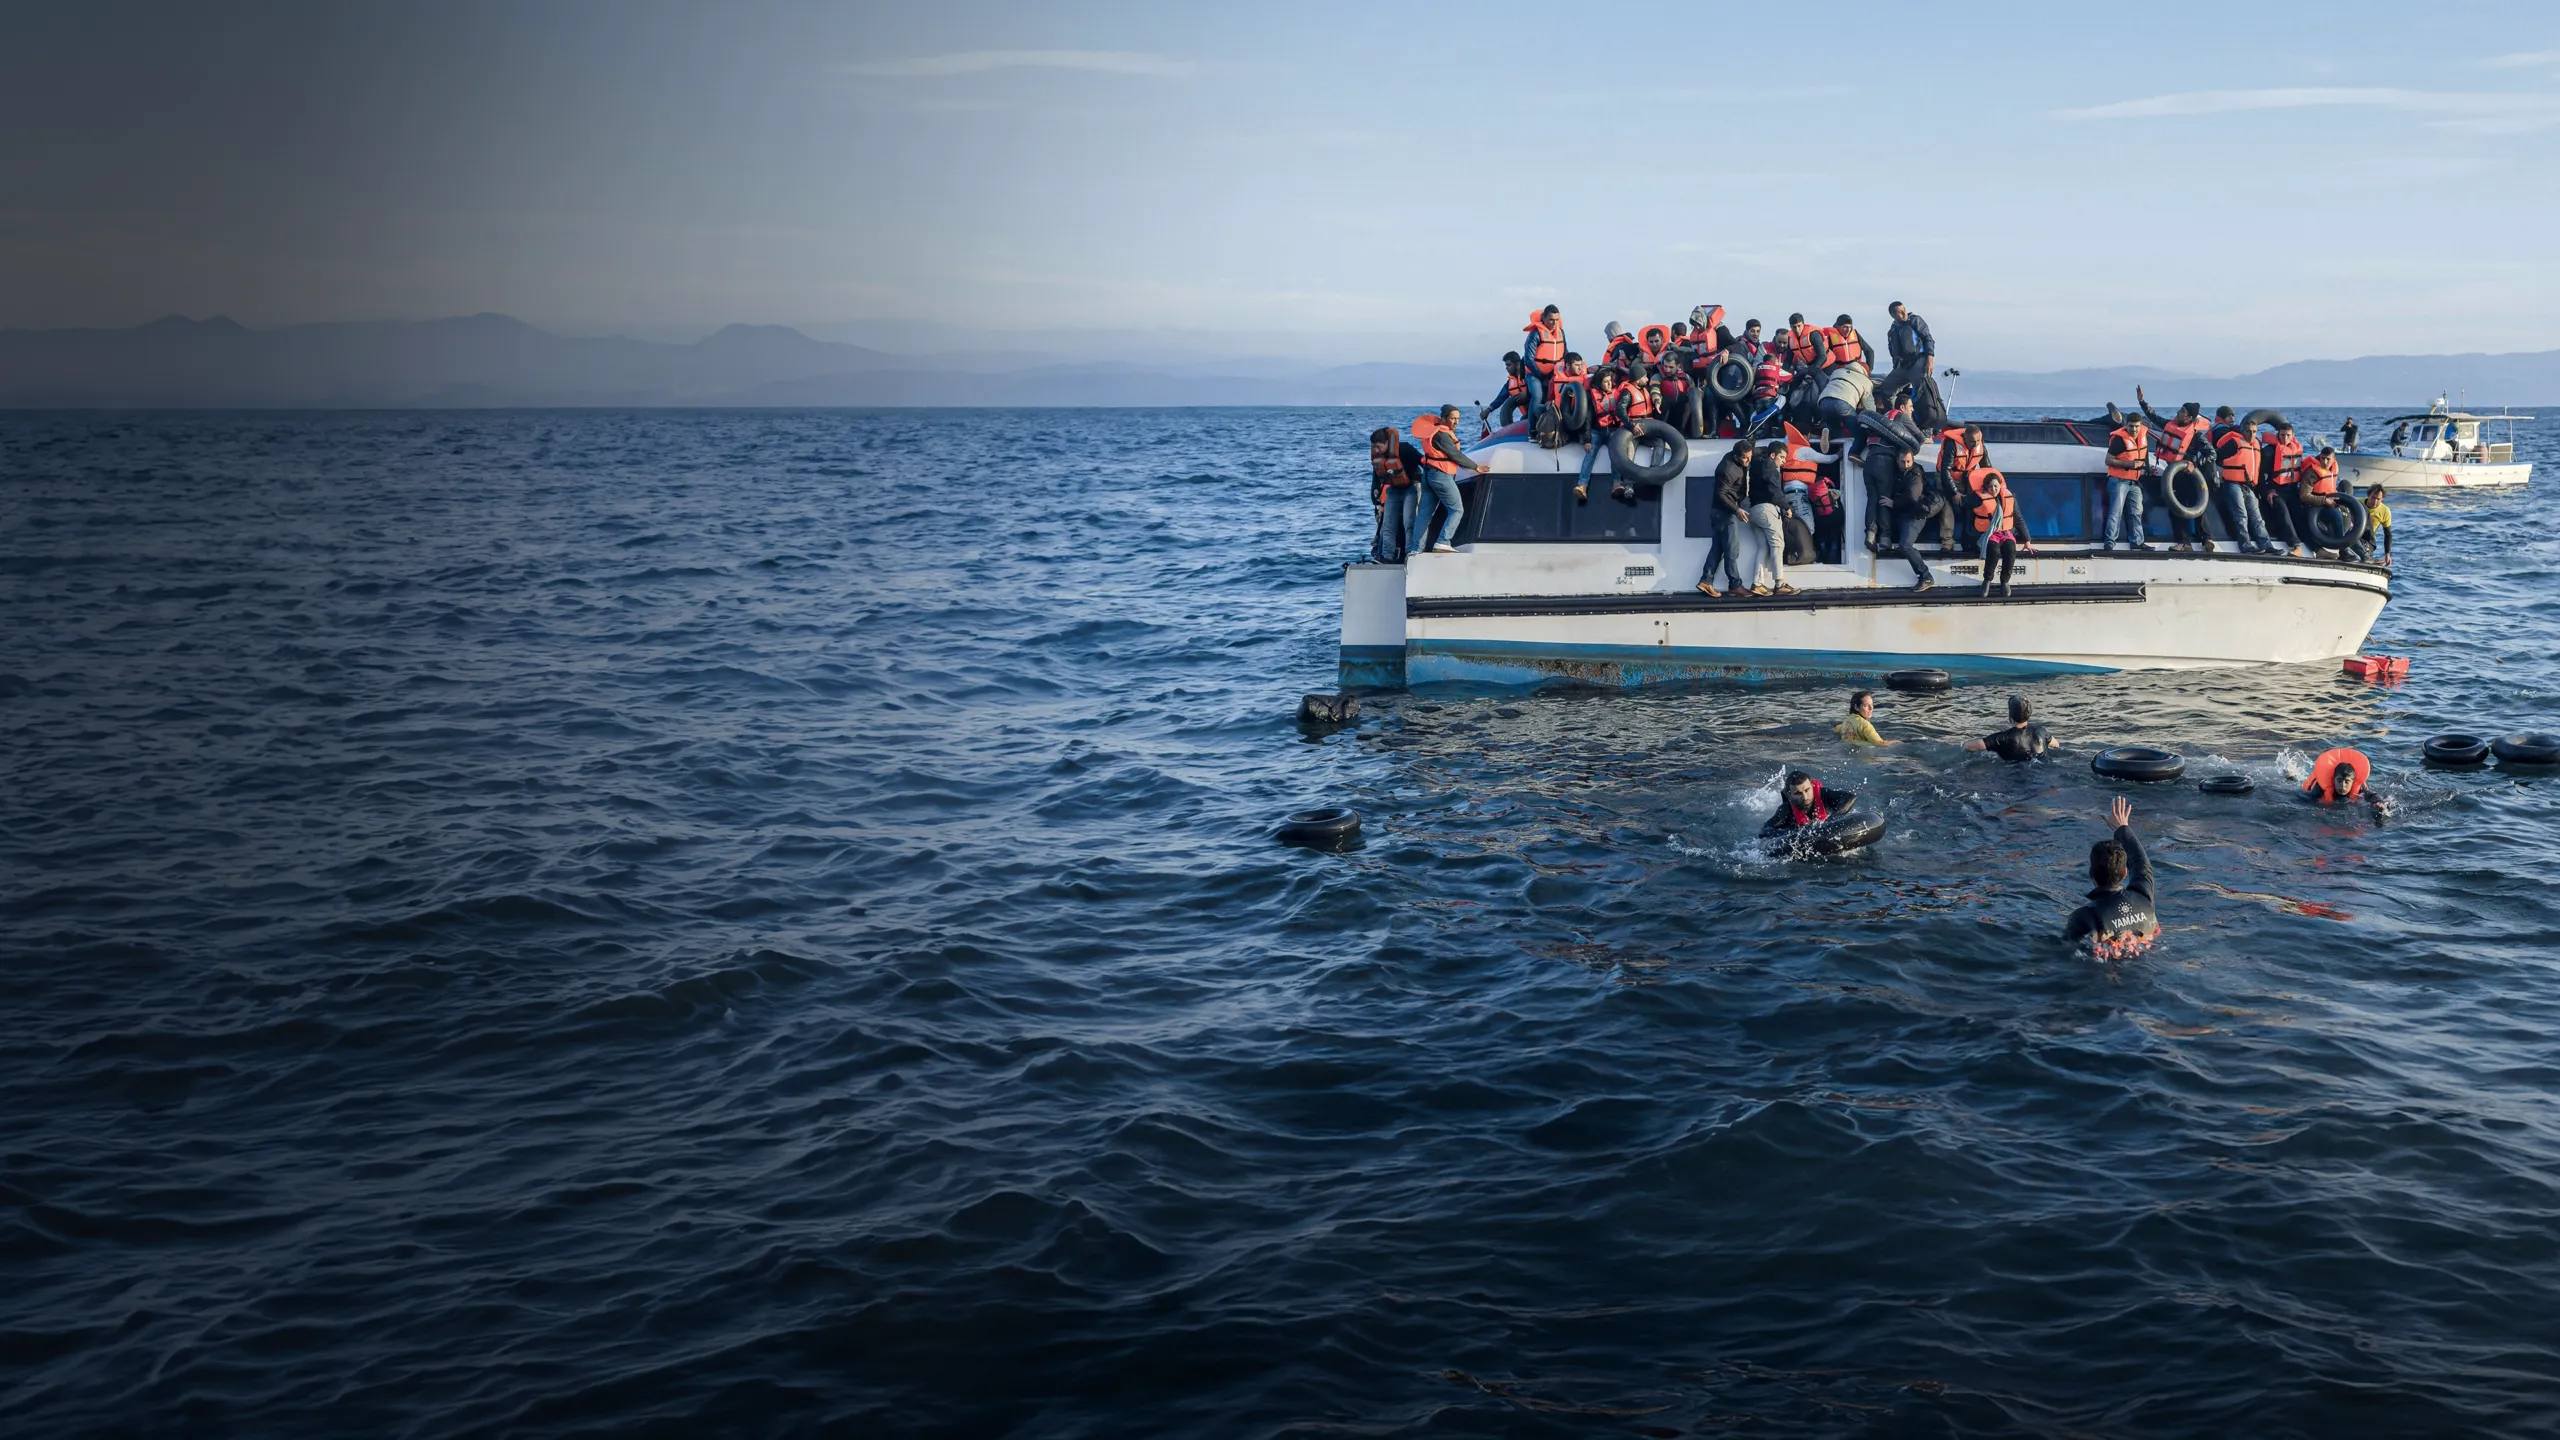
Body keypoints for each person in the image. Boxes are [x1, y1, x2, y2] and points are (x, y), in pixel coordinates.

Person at [2064, 796, 2158, 958]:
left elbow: (2065, 953)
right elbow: (2141, 862)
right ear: (2125, 873)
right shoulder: (2143, 896)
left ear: (2091, 874)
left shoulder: (2084, 916)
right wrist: (2122, 828)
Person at [2136, 387, 2216, 553]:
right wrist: (2142, 402)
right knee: (2177, 508)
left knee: (2197, 508)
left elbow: (2211, 454)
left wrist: (2195, 464)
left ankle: (2206, 539)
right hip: (2174, 476)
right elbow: (2153, 417)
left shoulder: (2196, 436)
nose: (2178, 413)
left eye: (2182, 411)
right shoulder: (2170, 425)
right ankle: (2186, 542)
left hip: (2191, 476)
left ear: (2189, 417)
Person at [1410, 406, 1488, 555]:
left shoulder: (1433, 431)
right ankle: (1443, 542)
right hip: (1440, 476)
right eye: (1452, 418)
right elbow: (1456, 455)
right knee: (1457, 509)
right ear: (1443, 418)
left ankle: (1415, 550)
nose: (1456, 422)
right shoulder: (1442, 435)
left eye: (1458, 419)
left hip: (1428, 474)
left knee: (1424, 514)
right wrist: (1476, 467)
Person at [2211, 406, 2278, 555]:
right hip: (2233, 484)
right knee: (2241, 516)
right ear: (2243, 431)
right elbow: (2217, 455)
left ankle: (2266, 545)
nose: (2251, 434)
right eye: (2248, 431)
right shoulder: (2235, 443)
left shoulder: (2256, 446)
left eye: (2254, 432)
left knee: (2257, 517)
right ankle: (2245, 545)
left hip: (2249, 486)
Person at [1696, 438, 1754, 596]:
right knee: (1732, 550)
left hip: (1719, 512)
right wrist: (1737, 510)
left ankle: (1706, 580)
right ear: (1736, 456)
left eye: (1750, 457)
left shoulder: (1740, 456)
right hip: (1725, 512)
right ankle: (1735, 584)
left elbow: (1752, 449)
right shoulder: (1727, 469)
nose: (1748, 461)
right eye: (1745, 458)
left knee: (1718, 548)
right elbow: (1720, 494)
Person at [1967, 469, 2030, 597]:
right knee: (1994, 551)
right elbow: (1964, 506)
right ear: (1986, 487)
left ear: (2001, 485)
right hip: (1989, 533)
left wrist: (2027, 540)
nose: (1993, 489)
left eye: (1996, 486)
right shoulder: (1977, 498)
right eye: (1990, 486)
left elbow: (2018, 518)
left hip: (2006, 532)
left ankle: (2005, 581)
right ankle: (1987, 580)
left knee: (2010, 550)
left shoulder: (2009, 498)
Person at [1744, 437, 1796, 594]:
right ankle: (1779, 583)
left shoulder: (1756, 464)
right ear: (1772, 455)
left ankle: (1757, 583)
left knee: (1763, 547)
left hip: (1753, 510)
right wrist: (1787, 507)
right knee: (1778, 544)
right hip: (1767, 509)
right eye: (1782, 457)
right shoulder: (1770, 466)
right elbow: (1775, 492)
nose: (1783, 461)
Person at [1368, 425, 1419, 563]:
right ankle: (1387, 556)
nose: (1376, 450)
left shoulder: (1405, 449)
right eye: (1374, 447)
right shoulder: (1379, 457)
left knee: (1409, 523)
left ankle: (1410, 555)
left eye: (1378, 446)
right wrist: (1375, 498)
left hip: (1411, 489)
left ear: (1386, 443)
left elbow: (1422, 463)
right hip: (1394, 490)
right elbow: (1376, 478)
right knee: (1388, 525)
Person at [2103, 411, 2151, 551]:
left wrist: (2147, 467)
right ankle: (2109, 542)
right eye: (2131, 426)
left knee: (2136, 513)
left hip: (2134, 482)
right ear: (2126, 425)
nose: (2134, 429)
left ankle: (2137, 542)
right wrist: (2128, 464)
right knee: (2115, 512)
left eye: (2137, 426)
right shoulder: (2119, 440)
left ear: (2141, 425)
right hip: (2118, 481)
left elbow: (2144, 452)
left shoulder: (2143, 435)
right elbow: (2108, 460)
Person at [2260, 420, 2308, 556]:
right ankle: (2295, 545)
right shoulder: (2269, 451)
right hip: (2275, 490)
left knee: (2300, 512)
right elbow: (2261, 476)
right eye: (2282, 435)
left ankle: (2316, 546)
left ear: (2293, 436)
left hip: (2291, 489)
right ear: (2277, 435)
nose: (2285, 438)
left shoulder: (2296, 449)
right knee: (2283, 510)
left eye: (2288, 435)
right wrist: (2267, 491)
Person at [1763, 769, 1855, 837]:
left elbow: (1849, 798)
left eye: (1807, 790)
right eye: (1797, 793)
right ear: (1789, 795)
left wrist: (1832, 820)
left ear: (1812, 786)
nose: (1805, 797)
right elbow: (1766, 829)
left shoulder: (1824, 794)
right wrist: (1789, 833)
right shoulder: (1786, 809)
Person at [1965, 694, 2051, 760]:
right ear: (2029, 713)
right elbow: (2056, 744)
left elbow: (1968, 746)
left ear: (2010, 715)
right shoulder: (2042, 731)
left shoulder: (2003, 738)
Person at [1522, 306, 1566, 410]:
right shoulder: (1535, 334)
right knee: (1537, 397)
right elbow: (1528, 359)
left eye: (1557, 320)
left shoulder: (1561, 333)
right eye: (1551, 320)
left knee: (1557, 397)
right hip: (1535, 375)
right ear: (1544, 318)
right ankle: (1533, 420)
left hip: (1554, 374)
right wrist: (1541, 376)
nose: (1554, 323)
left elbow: (1565, 353)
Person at [2302, 747, 2377, 807]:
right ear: (2333, 780)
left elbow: (2372, 796)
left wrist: (2379, 803)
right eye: (2339, 780)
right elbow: (2306, 799)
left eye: (2347, 782)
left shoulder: (2360, 787)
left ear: (2353, 782)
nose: (2343, 785)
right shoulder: (2320, 787)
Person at [1484, 353, 1532, 432]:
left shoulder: (1529, 375)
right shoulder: (1510, 383)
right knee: (1523, 420)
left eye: (1509, 365)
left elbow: (1539, 391)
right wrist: (1489, 410)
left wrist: (1527, 392)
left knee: (1524, 420)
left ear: (1517, 364)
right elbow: (1500, 397)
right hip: (1527, 417)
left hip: (1538, 414)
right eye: (1506, 365)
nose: (1506, 368)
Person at [1886, 301, 1934, 377]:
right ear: (1893, 315)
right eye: (1900, 312)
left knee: (1922, 382)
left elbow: (1928, 339)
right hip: (1903, 365)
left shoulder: (1915, 321)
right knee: (1887, 384)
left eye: (1904, 309)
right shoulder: (1892, 331)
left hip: (1918, 360)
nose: (1904, 313)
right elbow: (1892, 349)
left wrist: (1930, 361)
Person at [2367, 484, 2393, 565]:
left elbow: (2388, 534)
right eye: (2373, 497)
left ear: (2382, 498)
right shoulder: (2358, 503)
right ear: (2368, 495)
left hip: (2368, 540)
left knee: (2365, 556)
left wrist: (2387, 554)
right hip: (2354, 536)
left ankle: (2370, 561)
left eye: (2378, 499)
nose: (2375, 501)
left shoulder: (2385, 511)